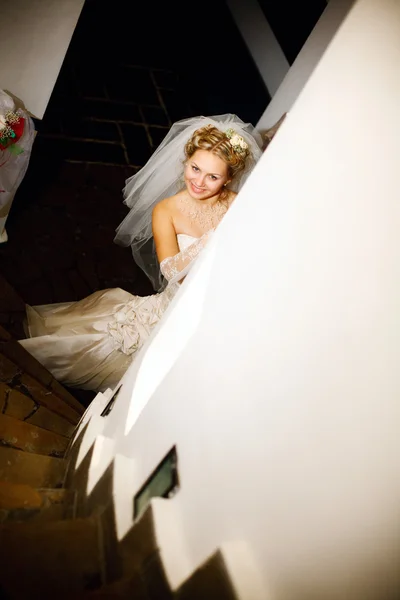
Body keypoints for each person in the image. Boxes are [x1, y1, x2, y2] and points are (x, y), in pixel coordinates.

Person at [19, 115, 262, 392]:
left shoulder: (238, 204)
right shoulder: (167, 210)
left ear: (229, 178)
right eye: (195, 168)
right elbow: (170, 271)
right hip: (174, 307)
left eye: (213, 176)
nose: (199, 182)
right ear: (186, 161)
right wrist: (209, 239)